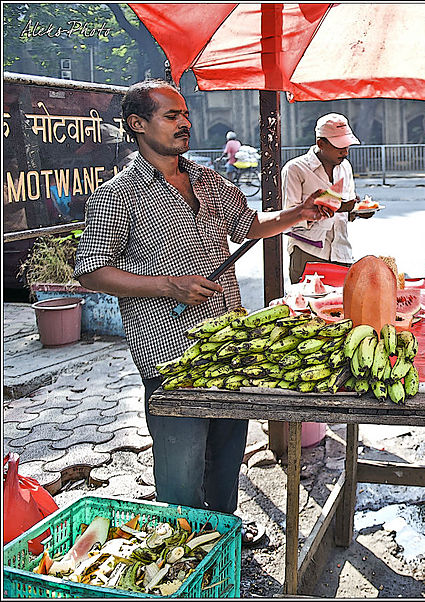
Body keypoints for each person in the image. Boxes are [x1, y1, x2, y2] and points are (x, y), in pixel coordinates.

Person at [74, 80, 331, 533]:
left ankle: (223, 532)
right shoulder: (118, 193)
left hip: (229, 347)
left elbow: (249, 224)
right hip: (169, 353)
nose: (185, 123)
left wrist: (299, 213)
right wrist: (168, 287)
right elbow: (92, 271)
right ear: (137, 124)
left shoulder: (207, 178)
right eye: (171, 116)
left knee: (228, 450)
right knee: (182, 463)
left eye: (185, 115)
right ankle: (183, 548)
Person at [282, 113, 373, 283]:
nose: (345, 152)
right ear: (320, 144)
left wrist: (358, 211)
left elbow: (347, 211)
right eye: (339, 147)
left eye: (347, 146)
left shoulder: (345, 166)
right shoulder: (295, 169)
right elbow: (287, 219)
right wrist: (327, 208)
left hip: (342, 251)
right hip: (308, 252)